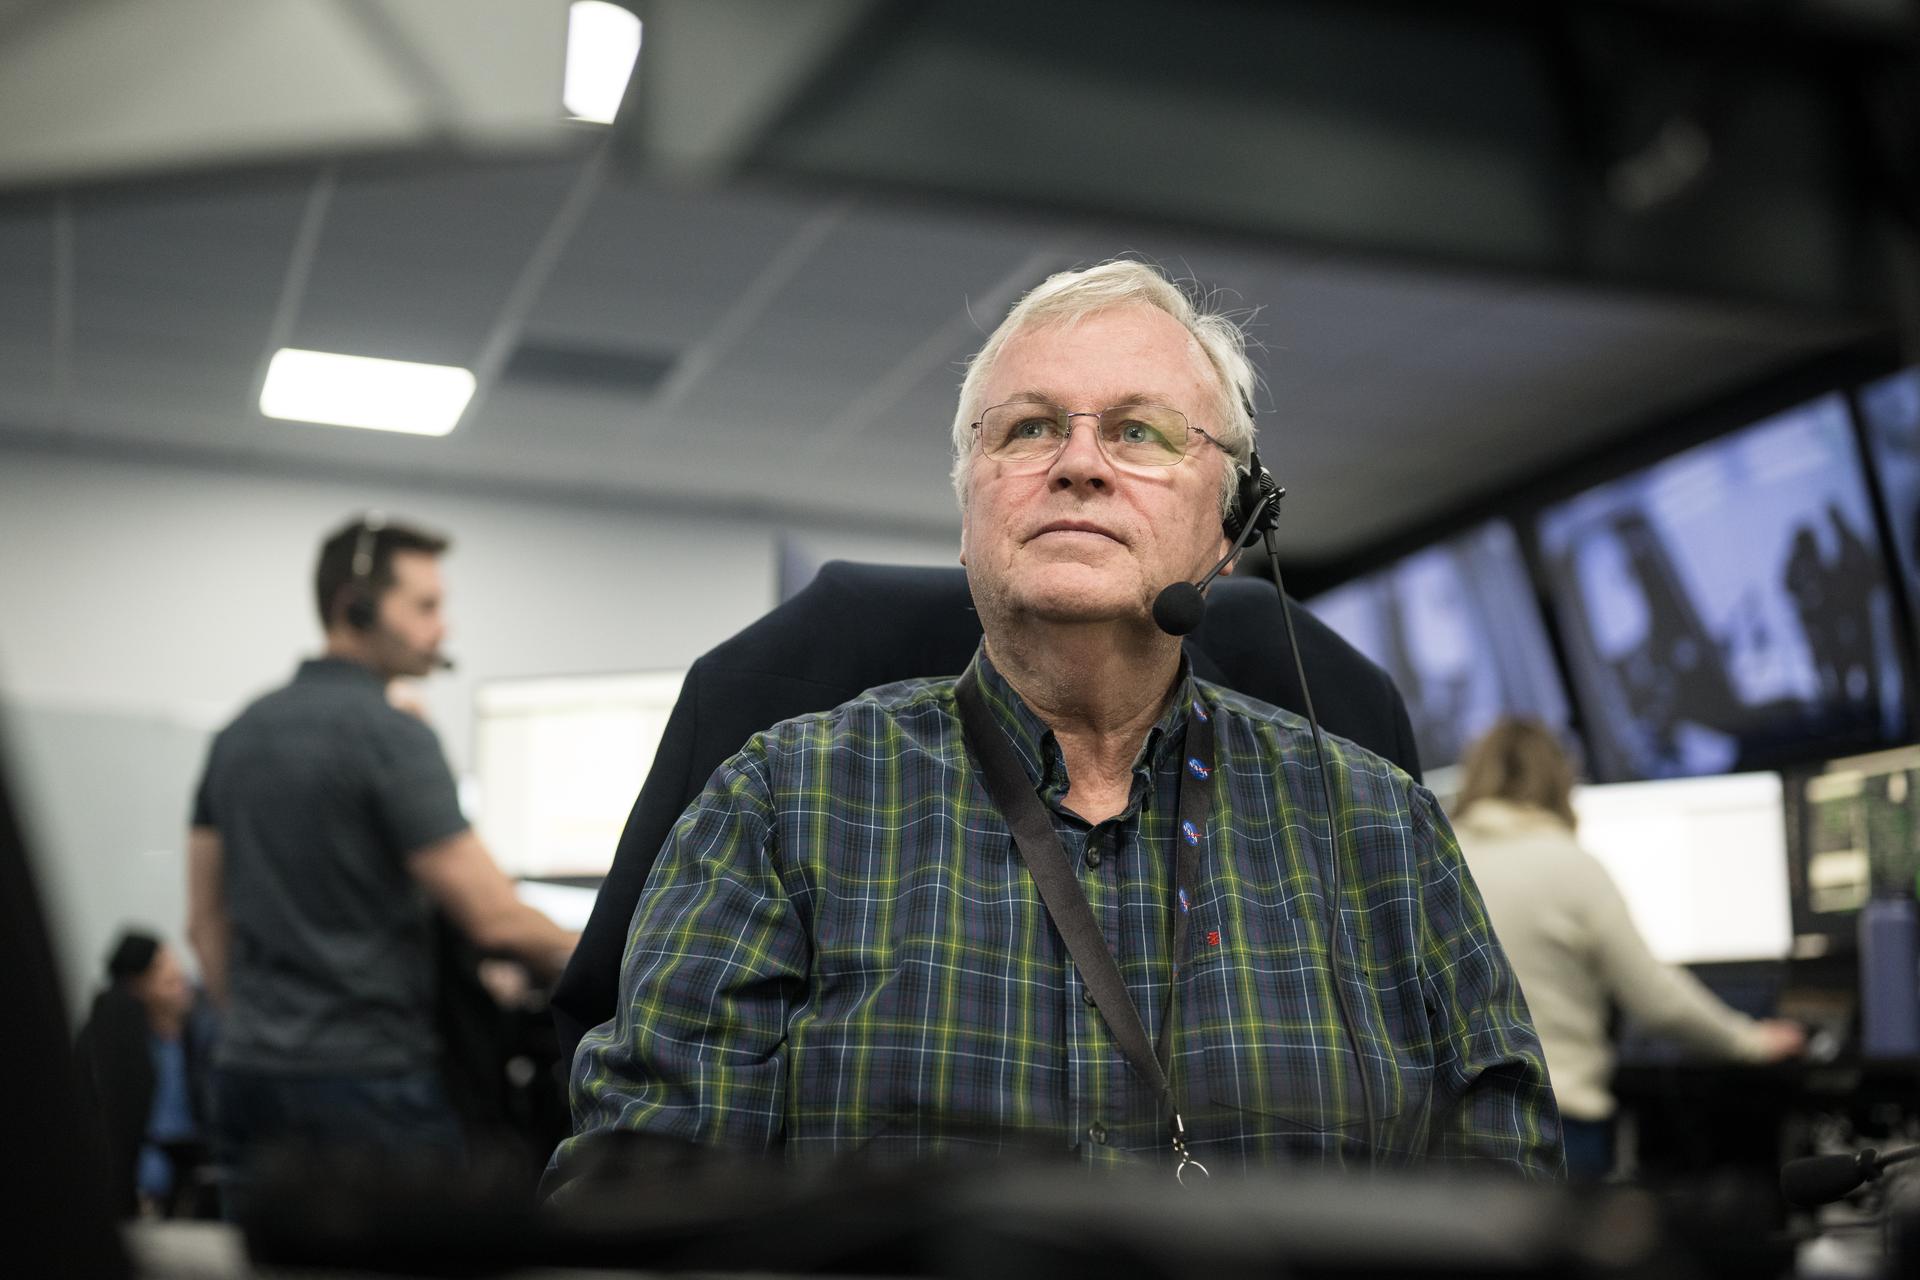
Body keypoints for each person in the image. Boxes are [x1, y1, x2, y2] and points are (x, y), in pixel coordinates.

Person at [553, 260, 1560, 1181]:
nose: (1078, 462)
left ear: (1230, 524)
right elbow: (641, 1198)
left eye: (1139, 431)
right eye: (1029, 426)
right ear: (969, 515)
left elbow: (1510, 1186)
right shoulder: (782, 801)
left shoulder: (1382, 828)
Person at [187, 515, 578, 1185]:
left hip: (250, 1075)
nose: (442, 629)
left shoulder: (237, 735)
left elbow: (204, 925)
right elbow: (495, 919)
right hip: (369, 1086)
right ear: (355, 608)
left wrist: (264, 1030)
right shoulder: (391, 736)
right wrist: (620, 959)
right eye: (425, 606)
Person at [1450, 717, 1806, 1179]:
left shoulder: (1439, 858)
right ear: (1560, 780)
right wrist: (1750, 1042)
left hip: (1448, 1139)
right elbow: (1658, 1002)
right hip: (1553, 1131)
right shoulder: (1569, 865)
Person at [74, 929, 214, 1217]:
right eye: (168, 981)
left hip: (196, 1174)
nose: (181, 983)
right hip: (143, 1183)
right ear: (136, 986)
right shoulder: (116, 1045)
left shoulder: (200, 1034)